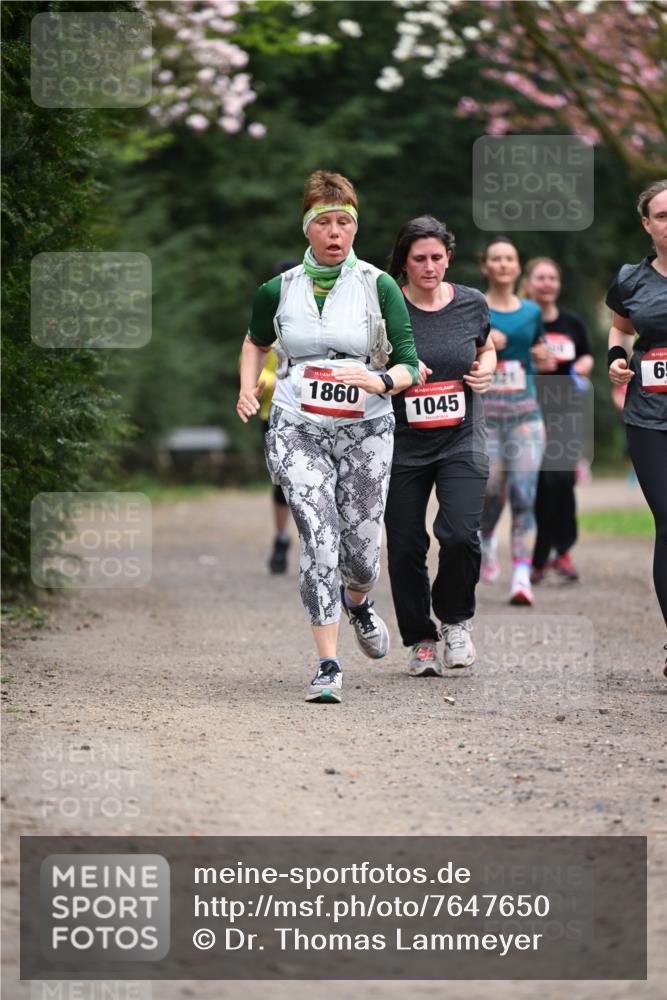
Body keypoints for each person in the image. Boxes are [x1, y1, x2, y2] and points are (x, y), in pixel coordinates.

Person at [237, 170, 419, 703]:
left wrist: (380, 378)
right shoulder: (279, 288)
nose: (335, 233)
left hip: (366, 424)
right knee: (319, 537)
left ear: (355, 228)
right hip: (298, 422)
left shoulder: (378, 285)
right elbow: (255, 341)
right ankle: (328, 665)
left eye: (344, 222)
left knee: (360, 552)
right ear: (308, 228)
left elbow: (408, 363)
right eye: (325, 223)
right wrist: (249, 388)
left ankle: (358, 603)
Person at [383, 216, 496, 676]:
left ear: (449, 257)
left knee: (460, 533)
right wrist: (398, 373)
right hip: (400, 443)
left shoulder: (471, 302)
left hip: (461, 438)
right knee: (406, 543)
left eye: (437, 257)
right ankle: (421, 639)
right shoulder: (386, 304)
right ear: (404, 263)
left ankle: (454, 620)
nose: (429, 267)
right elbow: (365, 362)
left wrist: (486, 366)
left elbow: (485, 347)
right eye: (419, 259)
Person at [606, 179, 667, 677]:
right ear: (647, 225)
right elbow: (622, 329)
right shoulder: (632, 279)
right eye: (662, 215)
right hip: (649, 414)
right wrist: (615, 359)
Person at [478, 237, 548, 606]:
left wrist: (544, 357)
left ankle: (522, 575)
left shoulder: (532, 312)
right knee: (491, 491)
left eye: (509, 258)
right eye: (496, 259)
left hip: (525, 415)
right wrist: (487, 343)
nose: (503, 264)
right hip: (486, 416)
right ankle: (486, 539)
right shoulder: (474, 307)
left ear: (518, 267)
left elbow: (539, 352)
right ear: (485, 267)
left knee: (523, 493)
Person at [521, 257, 594, 583]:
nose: (547, 283)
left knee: (562, 481)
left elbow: (587, 353)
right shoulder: (522, 319)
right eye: (541, 278)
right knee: (538, 484)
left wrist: (582, 366)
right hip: (527, 406)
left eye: (553, 278)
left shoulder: (571, 322)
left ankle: (561, 551)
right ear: (529, 282)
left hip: (564, 406)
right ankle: (537, 558)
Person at [258, 258, 300, 574]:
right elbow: (252, 371)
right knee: (283, 484)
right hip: (274, 416)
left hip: (321, 415)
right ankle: (282, 538)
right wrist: (272, 381)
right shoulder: (268, 325)